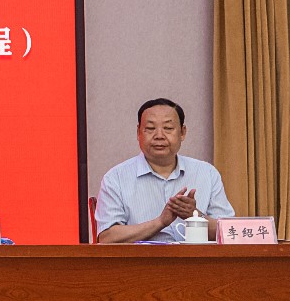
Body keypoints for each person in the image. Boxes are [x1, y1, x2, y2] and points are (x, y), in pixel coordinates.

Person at [95, 97, 234, 243]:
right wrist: (160, 222)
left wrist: (195, 216)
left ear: (182, 133)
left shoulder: (207, 173)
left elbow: (230, 233)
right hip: (142, 258)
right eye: (150, 129)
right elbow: (107, 238)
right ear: (138, 133)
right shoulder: (115, 178)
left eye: (168, 128)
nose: (159, 136)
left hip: (196, 258)